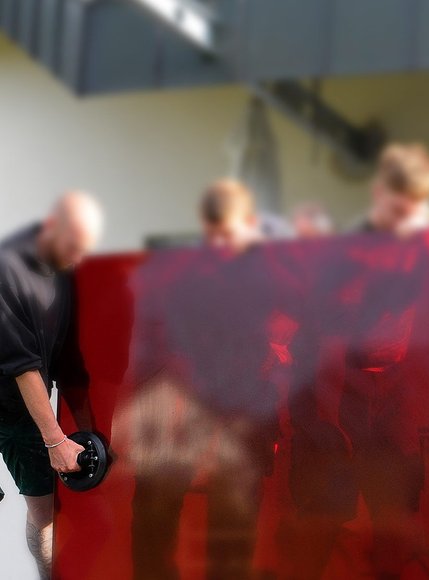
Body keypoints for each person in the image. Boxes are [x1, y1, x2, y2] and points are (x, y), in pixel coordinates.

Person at [282, 142, 429, 579]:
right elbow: (320, 330)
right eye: (399, 210)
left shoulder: (420, 245)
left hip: (388, 397)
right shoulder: (345, 252)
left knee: (394, 517)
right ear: (378, 194)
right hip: (331, 395)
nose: (406, 222)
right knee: (325, 514)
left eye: (415, 212)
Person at [126, 179, 287, 579]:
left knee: (231, 532)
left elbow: (289, 339)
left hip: (239, 418)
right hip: (180, 416)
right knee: (155, 521)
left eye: (228, 234)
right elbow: (148, 350)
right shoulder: (176, 275)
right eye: (213, 235)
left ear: (250, 224)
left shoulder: (268, 276)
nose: (220, 246)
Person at [0, 192, 103, 580]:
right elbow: (22, 363)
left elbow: (66, 358)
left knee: (45, 516)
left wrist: (88, 429)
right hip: (12, 391)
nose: (77, 257)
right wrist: (55, 439)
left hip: (22, 410)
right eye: (72, 246)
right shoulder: (7, 268)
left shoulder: (64, 267)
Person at [354, 143, 429, 236]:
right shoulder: (355, 238)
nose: (406, 224)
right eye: (398, 212)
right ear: (378, 193)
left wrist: (426, 237)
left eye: (416, 214)